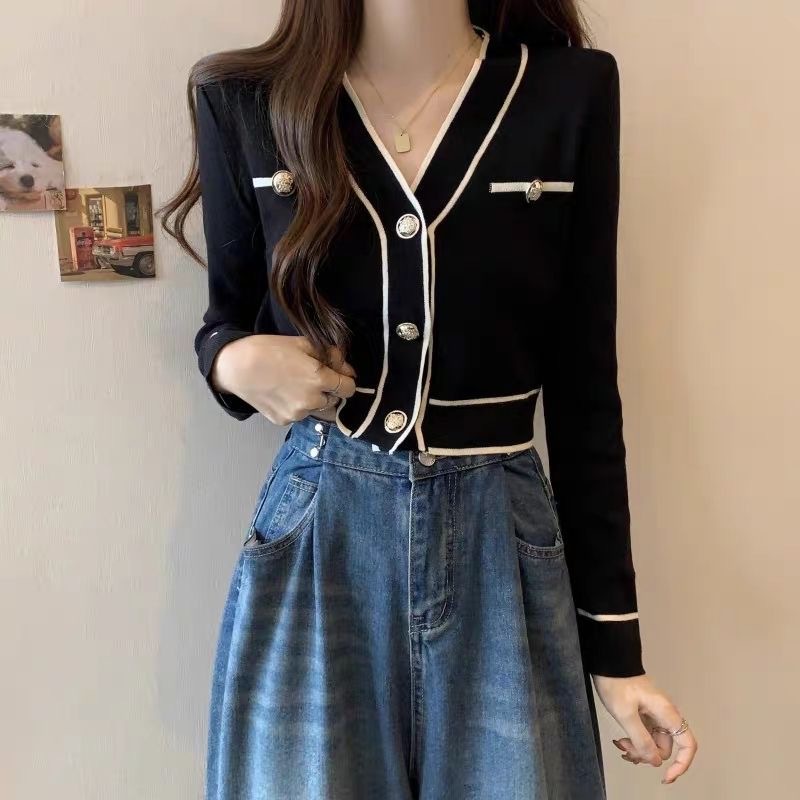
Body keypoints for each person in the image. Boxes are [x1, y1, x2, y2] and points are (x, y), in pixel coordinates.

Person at [159, 1, 698, 796]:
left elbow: (585, 387)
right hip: (320, 523)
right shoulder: (247, 98)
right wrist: (231, 360)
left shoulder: (566, 90)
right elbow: (225, 319)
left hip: (501, 534)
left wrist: (617, 654)